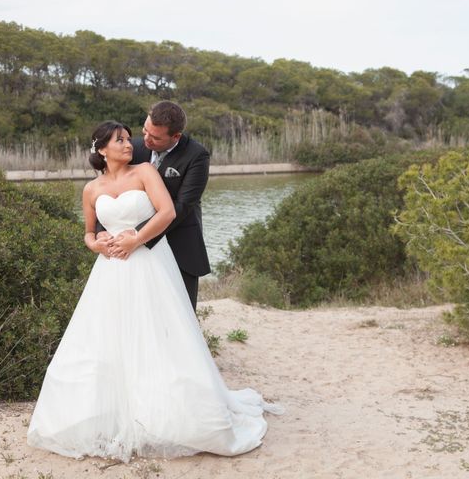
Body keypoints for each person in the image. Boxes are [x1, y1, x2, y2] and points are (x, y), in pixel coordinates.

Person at [27, 120, 282, 462]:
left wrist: (137, 238)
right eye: (119, 140)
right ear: (101, 149)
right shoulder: (91, 189)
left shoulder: (146, 171)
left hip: (147, 260)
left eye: (128, 138)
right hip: (111, 270)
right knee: (106, 337)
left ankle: (168, 413)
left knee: (159, 334)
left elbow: (168, 211)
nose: (129, 143)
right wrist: (98, 244)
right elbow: (89, 233)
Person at [96, 101, 210, 310]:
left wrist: (138, 235)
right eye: (145, 130)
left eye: (155, 137)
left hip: (179, 245)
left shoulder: (197, 155)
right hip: (131, 251)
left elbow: (182, 206)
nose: (146, 139)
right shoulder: (134, 147)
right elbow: (108, 190)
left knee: (179, 314)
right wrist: (102, 231)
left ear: (175, 136)